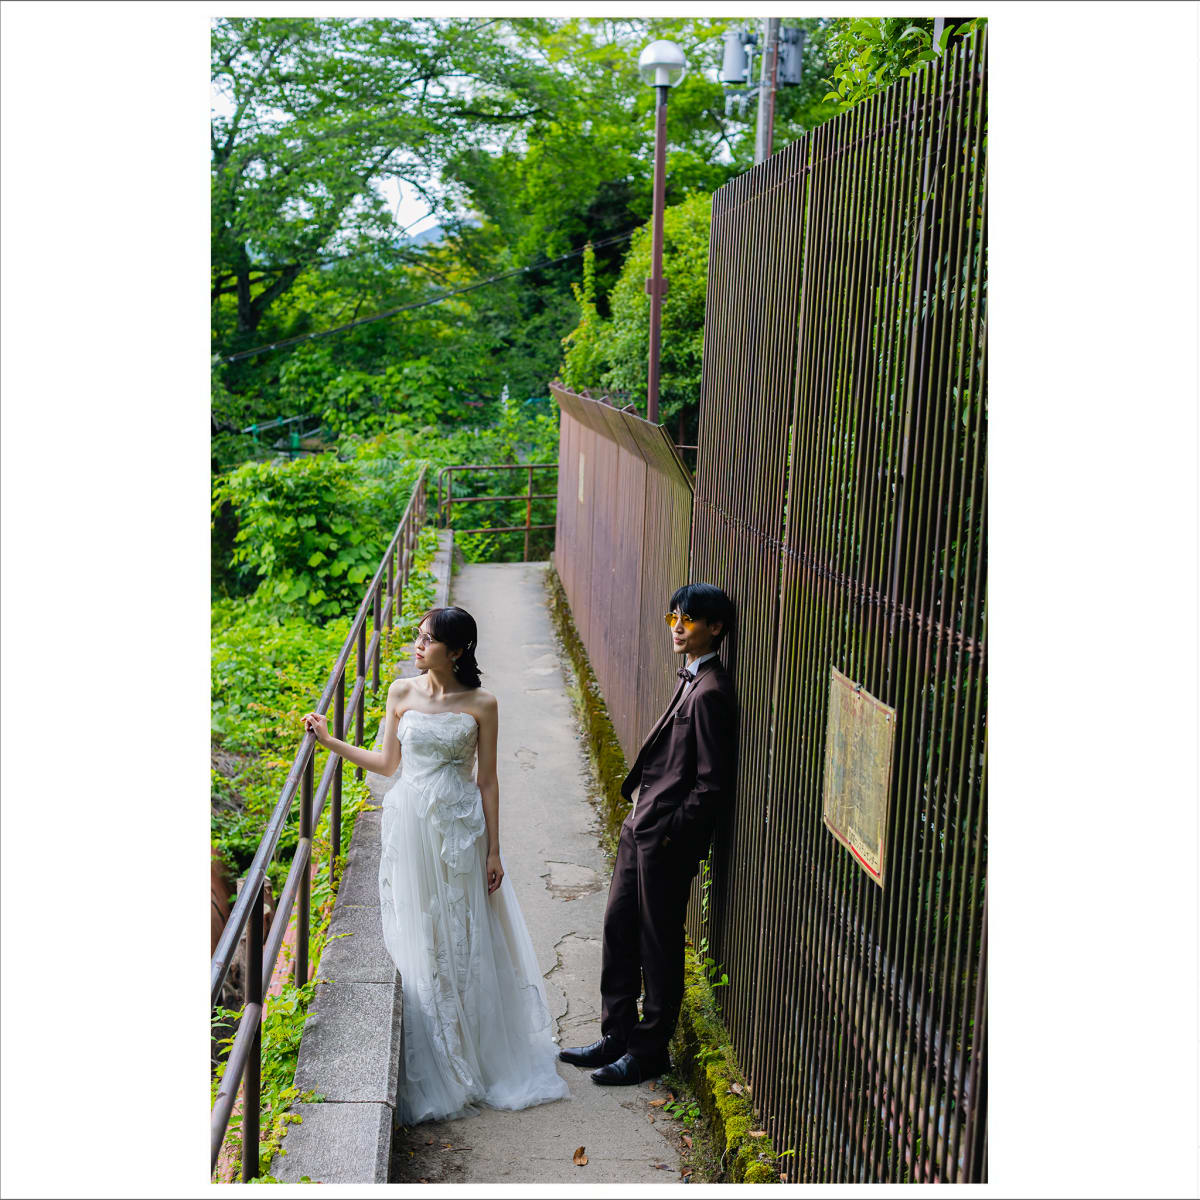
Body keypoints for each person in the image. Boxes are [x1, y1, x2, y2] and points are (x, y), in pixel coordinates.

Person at [302, 605, 568, 1125]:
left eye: (428, 640)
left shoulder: (483, 703)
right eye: (418, 637)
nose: (418, 646)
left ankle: (473, 1046)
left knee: (464, 931)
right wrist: (330, 741)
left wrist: (494, 850)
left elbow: (488, 781)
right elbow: (387, 765)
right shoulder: (401, 692)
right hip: (410, 824)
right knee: (421, 929)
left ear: (458, 650)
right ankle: (436, 1043)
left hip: (460, 827)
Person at [558, 582, 738, 1085]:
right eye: (672, 617)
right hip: (640, 829)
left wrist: (670, 835)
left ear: (715, 627)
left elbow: (710, 784)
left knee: (658, 946)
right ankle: (616, 1035)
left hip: (664, 841)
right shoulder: (692, 677)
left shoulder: (712, 692)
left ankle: (649, 1051)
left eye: (688, 619)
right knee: (618, 930)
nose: (677, 627)